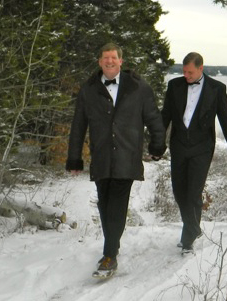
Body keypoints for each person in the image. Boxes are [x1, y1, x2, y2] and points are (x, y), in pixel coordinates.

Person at [66, 43, 166, 278]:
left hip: (127, 156)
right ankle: (113, 247)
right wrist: (74, 158)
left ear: (121, 61)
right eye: (105, 58)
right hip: (101, 156)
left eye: (113, 57)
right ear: (99, 62)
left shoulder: (139, 88)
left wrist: (157, 146)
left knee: (117, 205)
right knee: (103, 203)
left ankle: (109, 255)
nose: (109, 61)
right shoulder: (89, 90)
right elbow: (78, 125)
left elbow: (154, 118)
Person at [161, 52, 227, 255]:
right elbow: (165, 116)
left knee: (193, 193)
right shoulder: (175, 86)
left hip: (202, 148)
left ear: (201, 69)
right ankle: (194, 228)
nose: (186, 75)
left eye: (190, 72)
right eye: (184, 71)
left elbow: (225, 119)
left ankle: (188, 236)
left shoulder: (217, 89)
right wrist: (155, 142)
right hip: (179, 146)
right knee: (179, 193)